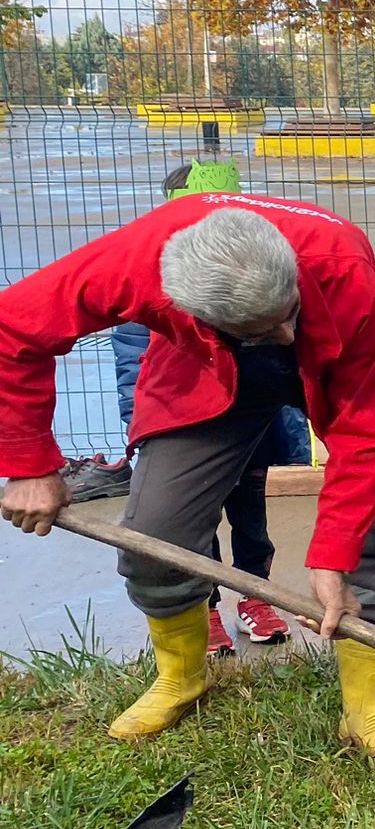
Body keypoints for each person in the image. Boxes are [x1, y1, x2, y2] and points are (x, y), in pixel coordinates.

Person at [0, 192, 375, 767]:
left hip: (348, 360)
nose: (285, 335)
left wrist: (330, 554)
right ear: (183, 304)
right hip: (205, 369)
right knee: (156, 535)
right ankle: (182, 679)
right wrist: (31, 465)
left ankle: (365, 712)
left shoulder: (339, 265)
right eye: (266, 327)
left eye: (289, 314)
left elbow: (367, 428)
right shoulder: (135, 265)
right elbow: (13, 327)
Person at [110, 162, 311, 658]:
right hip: (187, 426)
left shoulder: (259, 283)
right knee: (191, 525)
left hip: (251, 434)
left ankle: (255, 595)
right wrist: (143, 430)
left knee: (251, 520)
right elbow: (132, 373)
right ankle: (206, 607)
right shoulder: (155, 290)